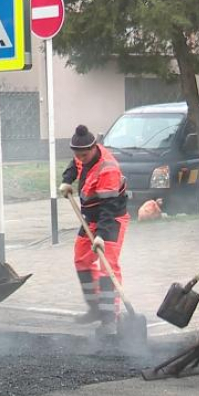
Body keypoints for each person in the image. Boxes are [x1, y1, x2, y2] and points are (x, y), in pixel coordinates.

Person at [59, 125, 129, 337]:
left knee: (107, 266)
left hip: (112, 219)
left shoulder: (108, 169)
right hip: (90, 217)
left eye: (84, 154)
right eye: (77, 154)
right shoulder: (82, 156)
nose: (80, 158)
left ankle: (110, 319)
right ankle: (95, 308)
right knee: (81, 259)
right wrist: (66, 180)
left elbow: (108, 209)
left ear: (94, 148)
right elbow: (75, 166)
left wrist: (101, 235)